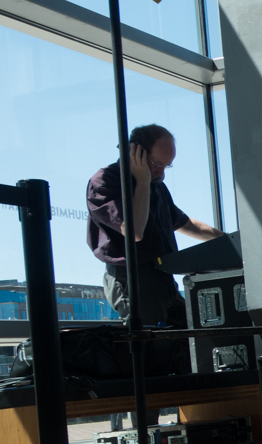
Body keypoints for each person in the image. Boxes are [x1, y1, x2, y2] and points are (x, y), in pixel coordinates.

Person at [87, 124, 223, 326]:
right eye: (156, 164)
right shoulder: (106, 182)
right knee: (153, 345)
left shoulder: (156, 185)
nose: (161, 173)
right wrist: (142, 182)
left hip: (163, 277)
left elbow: (186, 224)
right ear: (136, 152)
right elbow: (134, 231)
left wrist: (231, 241)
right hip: (132, 278)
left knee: (188, 337)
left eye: (167, 166)